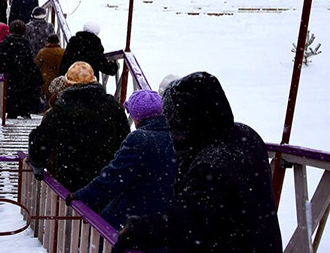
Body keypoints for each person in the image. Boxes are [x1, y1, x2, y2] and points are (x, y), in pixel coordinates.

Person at [115, 72, 281, 253]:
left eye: (174, 122)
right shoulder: (245, 135)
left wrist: (139, 230)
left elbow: (187, 223)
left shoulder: (210, 164)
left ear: (188, 119)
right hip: (262, 243)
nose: (174, 132)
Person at [70, 90, 175, 231]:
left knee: (102, 233)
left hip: (136, 219)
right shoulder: (176, 137)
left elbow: (113, 178)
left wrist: (83, 196)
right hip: (168, 220)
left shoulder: (139, 139)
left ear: (137, 117)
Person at [28, 62, 130, 191]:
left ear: (68, 84)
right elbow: (125, 139)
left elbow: (40, 140)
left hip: (71, 178)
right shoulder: (111, 105)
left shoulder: (62, 108)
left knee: (73, 203)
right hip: (105, 177)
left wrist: (37, 164)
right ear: (94, 81)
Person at [0, 20, 44, 118]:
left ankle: (12, 113)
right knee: (23, 94)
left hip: (9, 75)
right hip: (23, 75)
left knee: (11, 97)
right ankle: (25, 112)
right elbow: (29, 60)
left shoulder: (5, 42)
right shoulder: (25, 43)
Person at [35, 34, 65, 105]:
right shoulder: (63, 52)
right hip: (60, 80)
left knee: (48, 101)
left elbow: (36, 66)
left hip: (46, 80)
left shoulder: (43, 52)